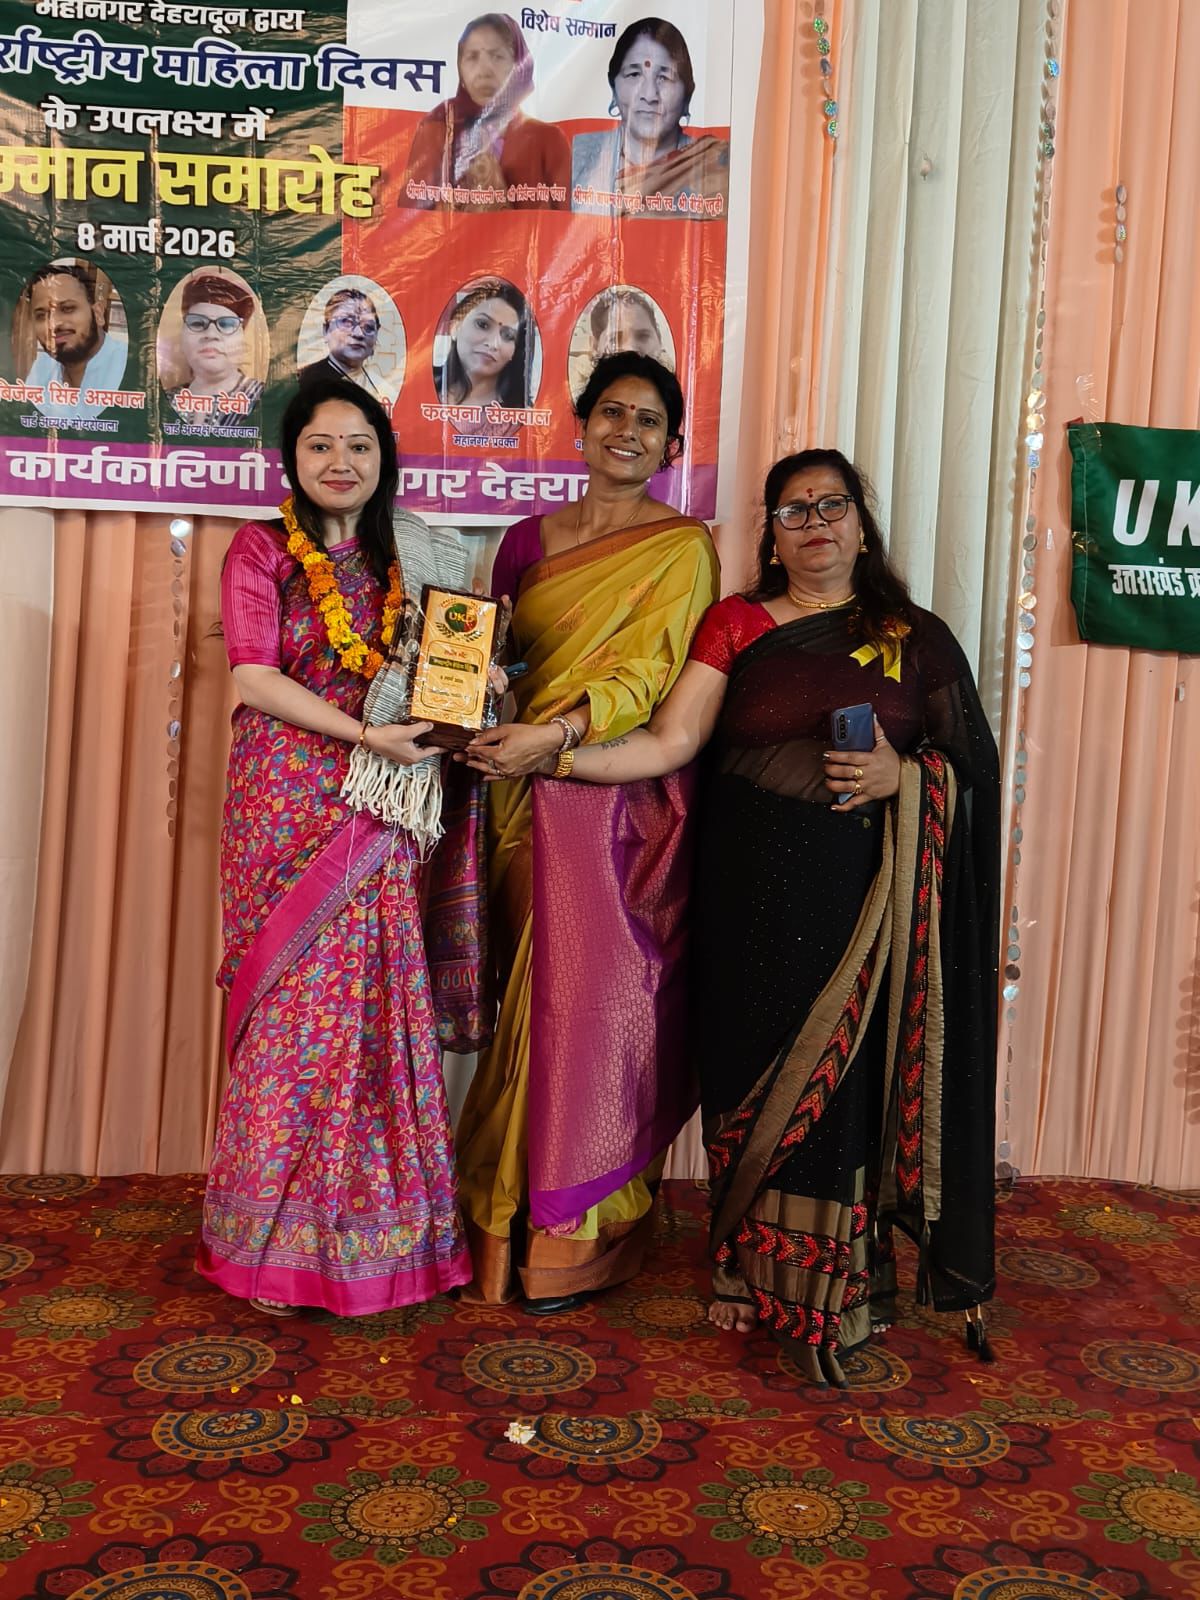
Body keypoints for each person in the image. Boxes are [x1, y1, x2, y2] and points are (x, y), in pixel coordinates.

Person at [536, 449, 1000, 1385]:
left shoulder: (916, 638)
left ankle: (840, 1281)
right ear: (771, 534)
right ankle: (743, 1265)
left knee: (841, 1090)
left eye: (832, 506)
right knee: (747, 1077)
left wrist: (903, 777)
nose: (815, 522)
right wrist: (548, 754)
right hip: (742, 902)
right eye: (793, 511)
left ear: (862, 524)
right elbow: (670, 742)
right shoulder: (736, 624)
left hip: (858, 913)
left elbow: (977, 777)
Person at [197, 376, 489, 1316]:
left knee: (368, 1017)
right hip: (285, 799)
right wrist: (365, 736)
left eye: (359, 445)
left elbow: (446, 681)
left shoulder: (415, 562)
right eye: (321, 446)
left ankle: (373, 1241)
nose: (340, 463)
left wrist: (471, 705)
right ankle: (269, 1244)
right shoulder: (259, 550)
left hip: (386, 801)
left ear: (382, 457)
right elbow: (251, 674)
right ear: (293, 458)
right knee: (292, 1022)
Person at [456, 351, 719, 1310]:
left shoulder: (686, 547)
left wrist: (559, 733)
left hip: (618, 807)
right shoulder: (526, 542)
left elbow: (654, 682)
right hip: (521, 804)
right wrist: (482, 688)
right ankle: (505, 1219)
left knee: (600, 1007)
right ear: (582, 423)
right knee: (532, 995)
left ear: (671, 444)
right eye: (613, 412)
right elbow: (500, 655)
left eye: (649, 421)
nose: (628, 432)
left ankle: (578, 1235)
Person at [401, 11, 569, 210]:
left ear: (519, 67)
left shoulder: (549, 140)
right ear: (460, 69)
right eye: (472, 57)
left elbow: (571, 229)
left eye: (498, 56)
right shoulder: (436, 130)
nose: (485, 70)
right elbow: (411, 223)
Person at [571, 17, 730, 218]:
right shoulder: (578, 158)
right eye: (634, 74)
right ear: (613, 87)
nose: (649, 95)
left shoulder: (715, 165)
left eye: (665, 77)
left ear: (687, 93)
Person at [23, 261, 126, 422]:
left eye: (67, 309)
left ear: (98, 314)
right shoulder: (42, 368)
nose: (54, 324)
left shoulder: (128, 364)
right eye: (41, 315)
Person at [166, 273, 264, 431]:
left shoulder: (263, 398)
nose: (211, 335)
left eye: (226, 325)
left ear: (242, 339)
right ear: (182, 338)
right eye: (197, 323)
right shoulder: (165, 399)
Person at [434, 279, 533, 412]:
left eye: (508, 336)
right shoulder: (419, 393)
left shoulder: (522, 416)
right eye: (483, 325)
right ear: (455, 326)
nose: (493, 344)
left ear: (515, 351)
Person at [298, 287, 397, 402]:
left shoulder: (382, 387)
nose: (359, 334)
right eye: (347, 322)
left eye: (368, 327)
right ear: (326, 330)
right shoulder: (310, 379)